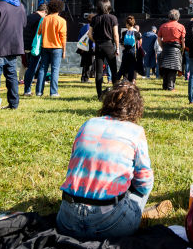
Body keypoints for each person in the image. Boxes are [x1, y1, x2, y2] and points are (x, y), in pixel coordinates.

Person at [57, 84, 158, 240]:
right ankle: (135, 215)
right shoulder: (135, 131)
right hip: (109, 225)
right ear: (136, 108)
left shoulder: (88, 123)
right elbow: (144, 183)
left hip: (66, 221)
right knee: (143, 183)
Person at [36, 0, 68, 98]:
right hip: (57, 48)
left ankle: (39, 92)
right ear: (59, 9)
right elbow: (63, 37)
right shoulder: (61, 21)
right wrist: (64, 51)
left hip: (45, 46)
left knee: (42, 69)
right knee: (55, 70)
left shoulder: (44, 19)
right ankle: (53, 92)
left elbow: (39, 32)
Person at [88, 0, 118, 97]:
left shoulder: (95, 18)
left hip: (98, 46)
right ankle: (115, 93)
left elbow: (89, 34)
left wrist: (95, 41)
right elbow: (115, 35)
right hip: (109, 45)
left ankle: (99, 95)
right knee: (113, 70)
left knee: (99, 72)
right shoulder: (113, 18)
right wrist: (117, 48)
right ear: (108, 6)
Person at [157, 9, 186, 91]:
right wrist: (183, 48)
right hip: (176, 49)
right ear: (178, 17)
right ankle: (170, 87)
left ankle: (165, 86)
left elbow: (159, 38)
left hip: (166, 48)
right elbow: (183, 40)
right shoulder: (181, 26)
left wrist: (162, 46)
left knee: (165, 68)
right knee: (173, 69)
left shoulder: (163, 26)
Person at [23, 4, 47, 94]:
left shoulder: (28, 16)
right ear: (44, 12)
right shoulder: (39, 20)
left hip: (26, 45)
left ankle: (27, 89)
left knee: (30, 67)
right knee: (35, 67)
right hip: (35, 46)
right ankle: (36, 89)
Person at [119, 15, 142, 86]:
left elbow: (121, 42)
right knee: (133, 66)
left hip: (126, 51)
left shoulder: (124, 33)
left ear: (127, 24)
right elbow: (140, 42)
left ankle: (125, 79)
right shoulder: (137, 33)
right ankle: (133, 80)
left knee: (125, 65)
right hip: (133, 52)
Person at [76, 14, 93, 82]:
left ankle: (83, 78)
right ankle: (86, 78)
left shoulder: (83, 27)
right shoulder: (92, 27)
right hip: (89, 48)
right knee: (88, 64)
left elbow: (79, 37)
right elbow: (91, 38)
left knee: (85, 64)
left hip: (82, 48)